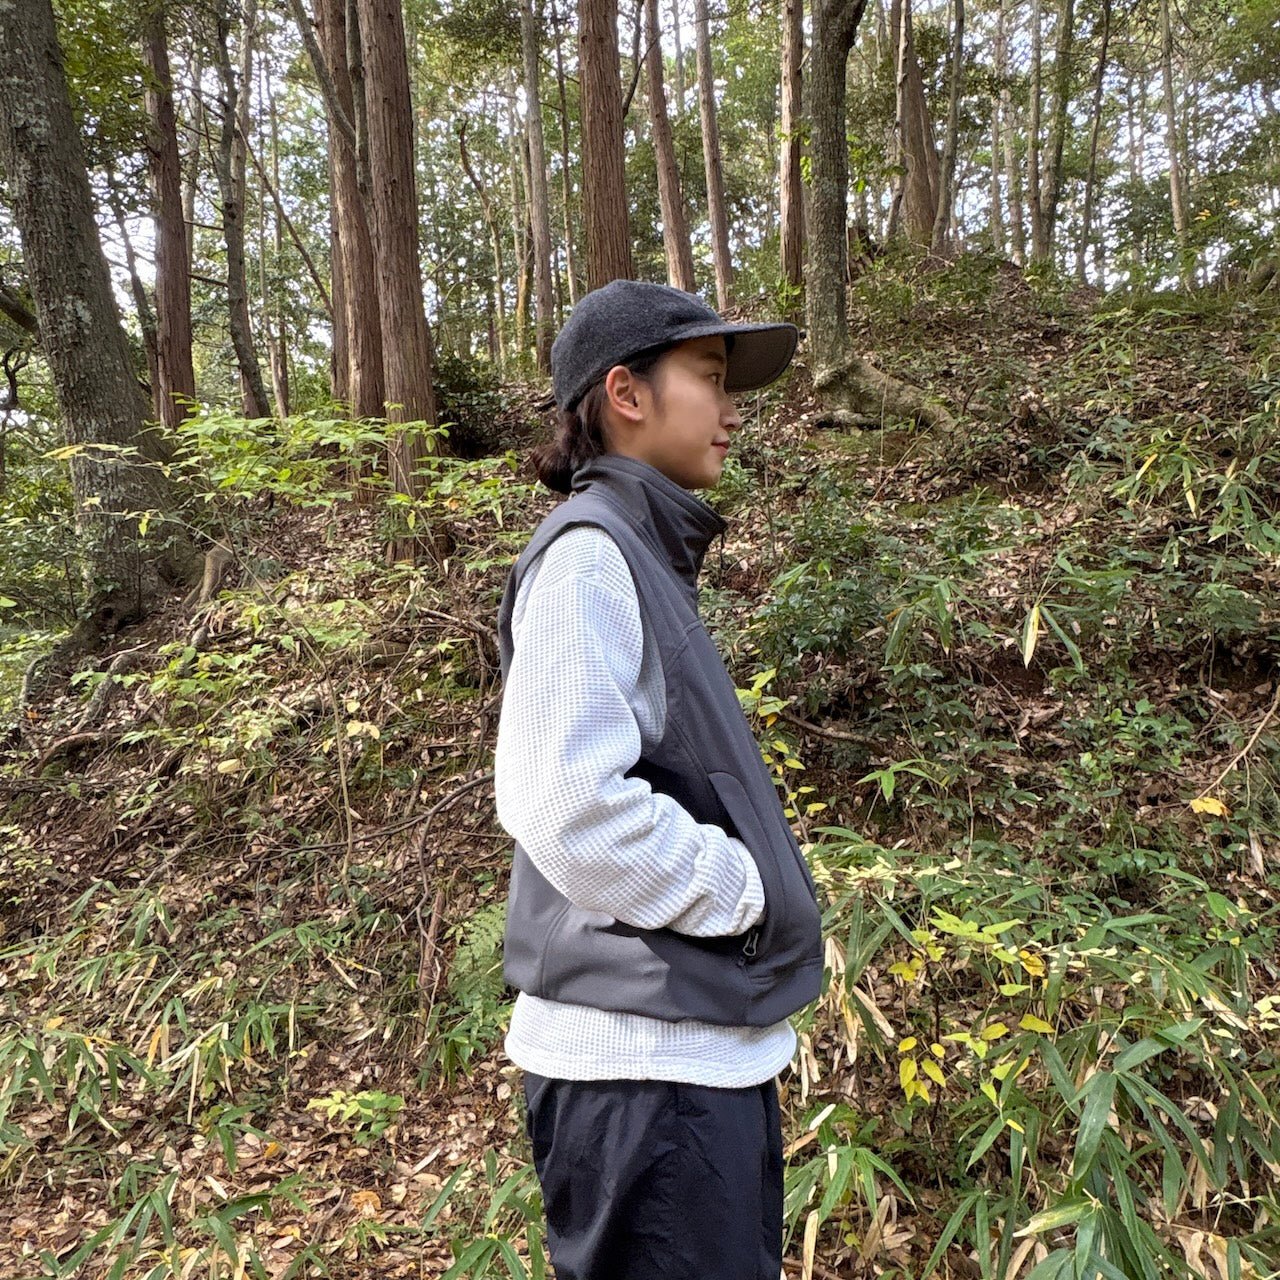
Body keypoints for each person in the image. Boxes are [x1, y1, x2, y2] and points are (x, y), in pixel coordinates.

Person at [494, 280, 823, 1280]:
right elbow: (567, 804)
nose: (732, 409)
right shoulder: (592, 557)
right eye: (710, 377)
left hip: (675, 1067)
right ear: (626, 393)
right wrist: (746, 888)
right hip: (645, 1081)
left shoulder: (633, 554)